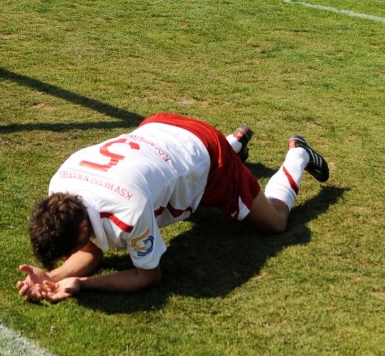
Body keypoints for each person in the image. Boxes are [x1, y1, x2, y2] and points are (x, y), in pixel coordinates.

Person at [17, 113, 329, 303]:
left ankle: (298, 154)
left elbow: (147, 276)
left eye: (68, 250)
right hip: (158, 126)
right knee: (171, 173)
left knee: (274, 221)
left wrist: (84, 284)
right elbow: (91, 251)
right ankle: (234, 142)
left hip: (207, 151)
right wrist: (51, 277)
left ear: (83, 227)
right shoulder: (60, 185)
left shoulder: (127, 212)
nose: (70, 255)